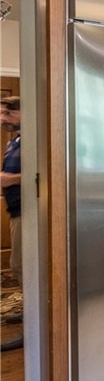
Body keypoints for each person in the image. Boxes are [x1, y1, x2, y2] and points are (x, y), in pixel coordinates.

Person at [1, 96, 21, 351]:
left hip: (27, 211)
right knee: (18, 265)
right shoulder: (14, 141)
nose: (3, 117)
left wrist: (10, 179)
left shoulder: (32, 140)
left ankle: (34, 326)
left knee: (20, 265)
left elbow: (43, 173)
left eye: (8, 112)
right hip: (15, 208)